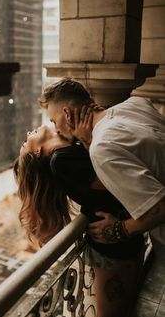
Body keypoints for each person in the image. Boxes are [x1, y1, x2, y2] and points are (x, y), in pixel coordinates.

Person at [14, 125, 145, 317]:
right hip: (112, 248)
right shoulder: (62, 161)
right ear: (37, 151)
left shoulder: (69, 151)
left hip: (123, 238)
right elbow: (121, 180)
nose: (27, 133)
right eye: (26, 143)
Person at [39, 78, 165, 257]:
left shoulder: (102, 148)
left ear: (67, 114)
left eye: (54, 120)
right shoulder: (136, 104)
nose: (56, 129)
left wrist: (119, 230)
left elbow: (158, 209)